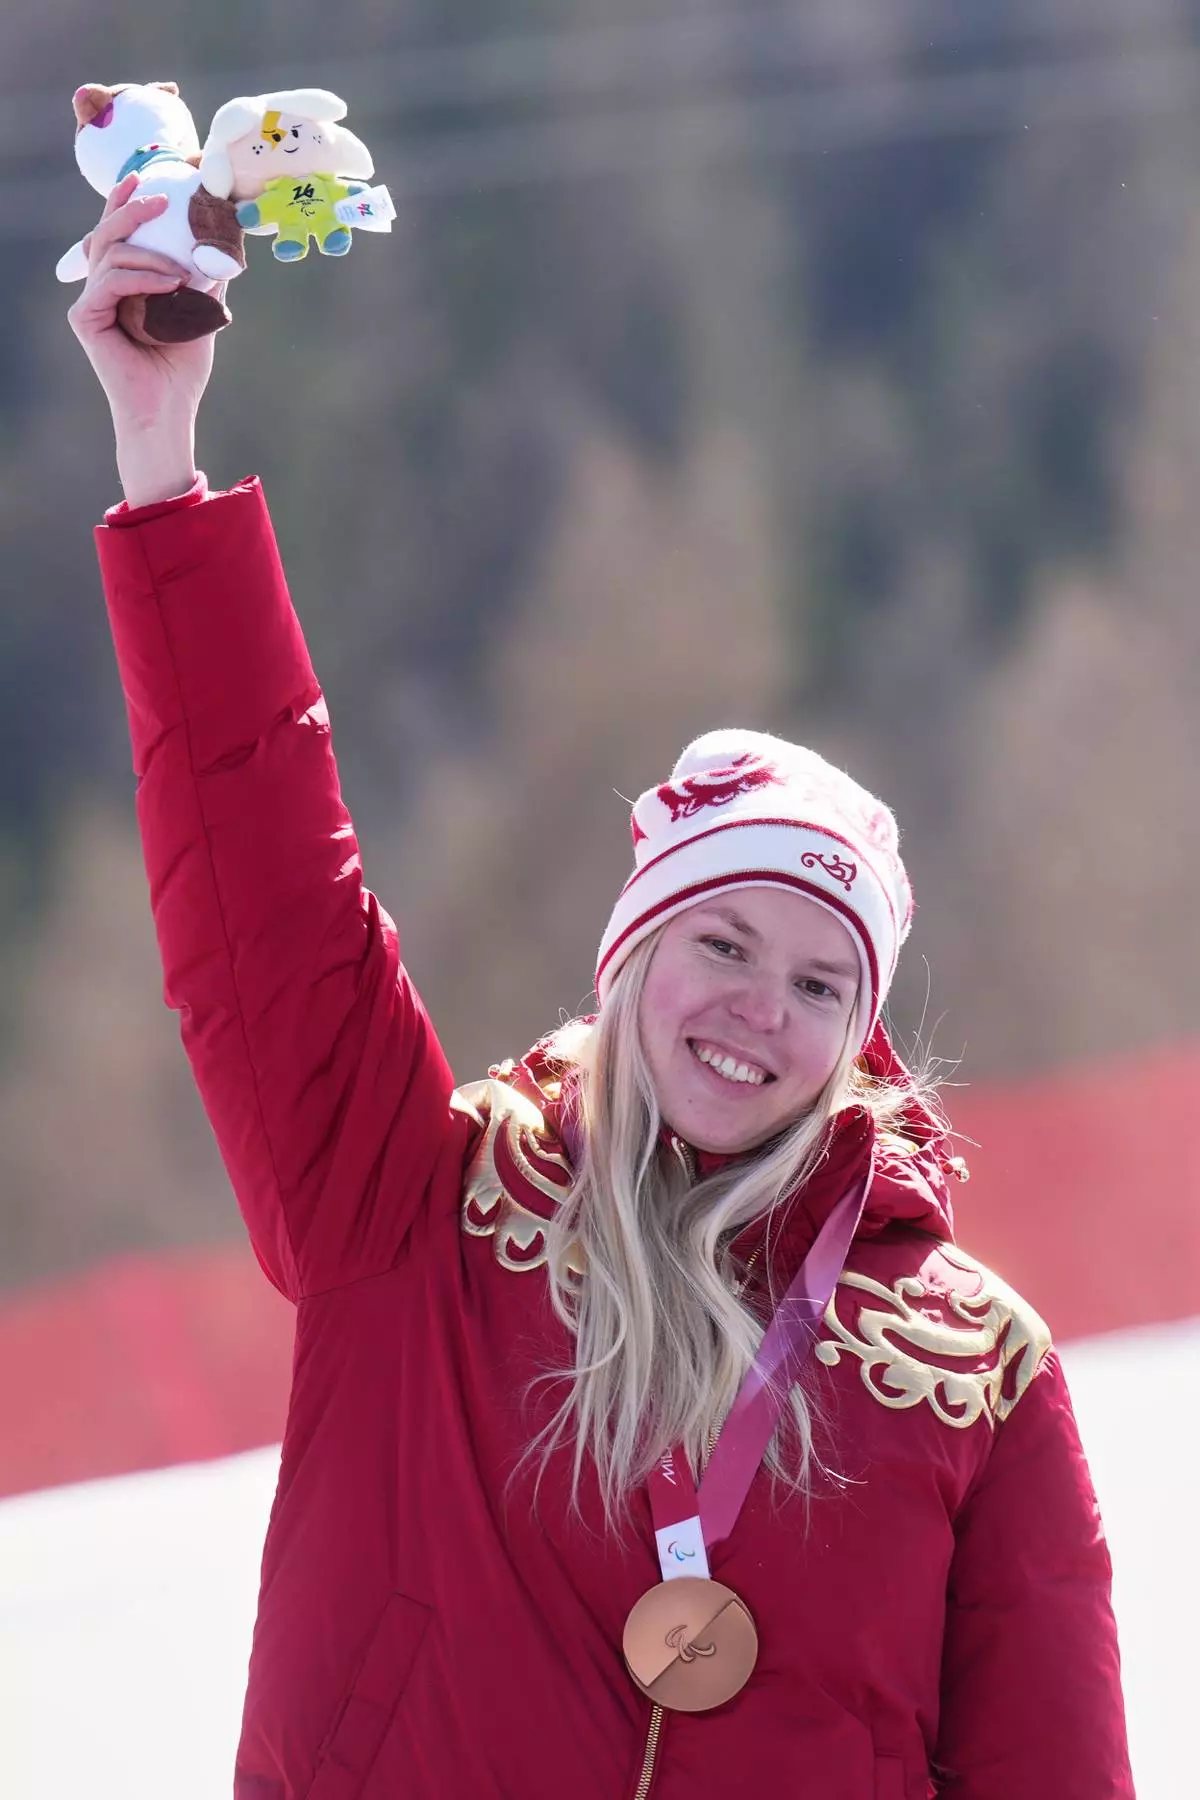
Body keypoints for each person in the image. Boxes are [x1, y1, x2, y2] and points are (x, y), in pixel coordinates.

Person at [71, 174, 1134, 1800]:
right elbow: (265, 898)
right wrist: (164, 456)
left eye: (819, 983)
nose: (757, 1012)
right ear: (634, 950)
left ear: (863, 1035)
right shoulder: (410, 1202)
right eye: (720, 944)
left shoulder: (973, 1372)